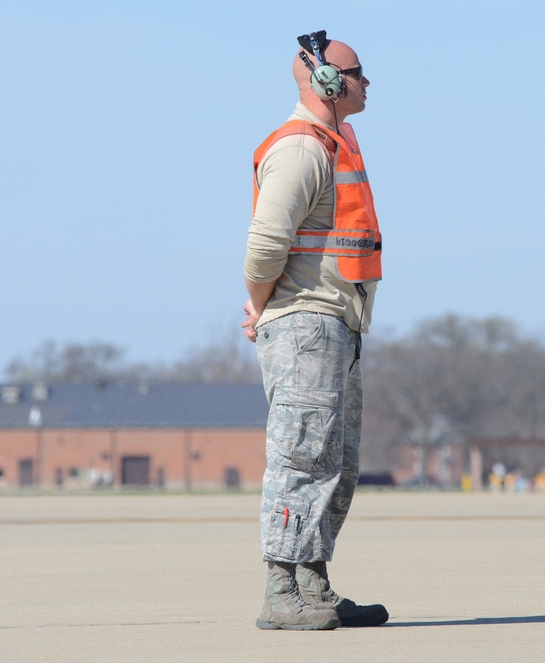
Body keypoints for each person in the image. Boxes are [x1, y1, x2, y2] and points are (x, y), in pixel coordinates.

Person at [241, 30, 387, 631]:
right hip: (306, 324)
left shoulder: (335, 143)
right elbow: (264, 247)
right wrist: (261, 308)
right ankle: (281, 594)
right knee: (302, 458)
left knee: (337, 463)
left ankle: (313, 587)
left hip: (334, 328)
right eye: (356, 73)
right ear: (327, 81)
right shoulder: (302, 148)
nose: (365, 82)